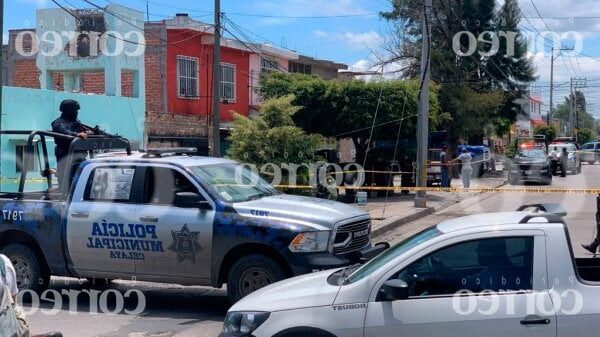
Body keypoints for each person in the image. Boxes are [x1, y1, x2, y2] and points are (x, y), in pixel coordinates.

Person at [51, 100, 92, 186]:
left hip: (79, 156)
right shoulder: (59, 123)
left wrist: (88, 132)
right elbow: (63, 131)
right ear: (69, 111)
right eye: (75, 111)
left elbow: (87, 130)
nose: (76, 113)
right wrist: (77, 134)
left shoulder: (75, 122)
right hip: (65, 156)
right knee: (66, 180)